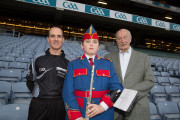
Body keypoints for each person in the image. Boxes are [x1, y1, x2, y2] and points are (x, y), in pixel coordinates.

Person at [62, 25, 123, 120]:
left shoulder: (108, 64)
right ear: (82, 45)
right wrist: (76, 117)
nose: (91, 44)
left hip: (103, 114)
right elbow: (67, 92)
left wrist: (102, 107)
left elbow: (117, 88)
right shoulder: (72, 64)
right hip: (80, 112)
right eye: (87, 42)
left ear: (98, 46)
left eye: (95, 42)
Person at [105, 28, 154, 120]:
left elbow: (149, 81)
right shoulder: (108, 57)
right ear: (116, 41)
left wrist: (128, 93)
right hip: (114, 107)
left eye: (125, 37)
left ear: (130, 39)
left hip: (137, 107)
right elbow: (105, 80)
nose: (122, 40)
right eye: (119, 38)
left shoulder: (143, 57)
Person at [26, 26, 69, 120]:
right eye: (53, 36)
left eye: (59, 36)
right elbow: (29, 81)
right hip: (39, 104)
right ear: (48, 39)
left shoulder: (68, 63)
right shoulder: (37, 58)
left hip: (59, 105)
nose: (56, 39)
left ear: (63, 39)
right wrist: (40, 96)